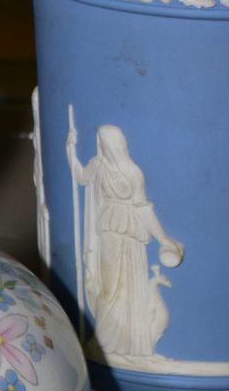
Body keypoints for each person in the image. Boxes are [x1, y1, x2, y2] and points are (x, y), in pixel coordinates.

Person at [67, 121, 184, 359]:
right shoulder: (97, 165)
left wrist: (162, 239)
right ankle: (105, 341)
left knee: (131, 288)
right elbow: (80, 178)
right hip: (110, 233)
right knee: (109, 288)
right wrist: (70, 150)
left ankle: (129, 345)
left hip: (130, 236)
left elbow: (143, 208)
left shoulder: (133, 172)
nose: (99, 145)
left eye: (101, 141)